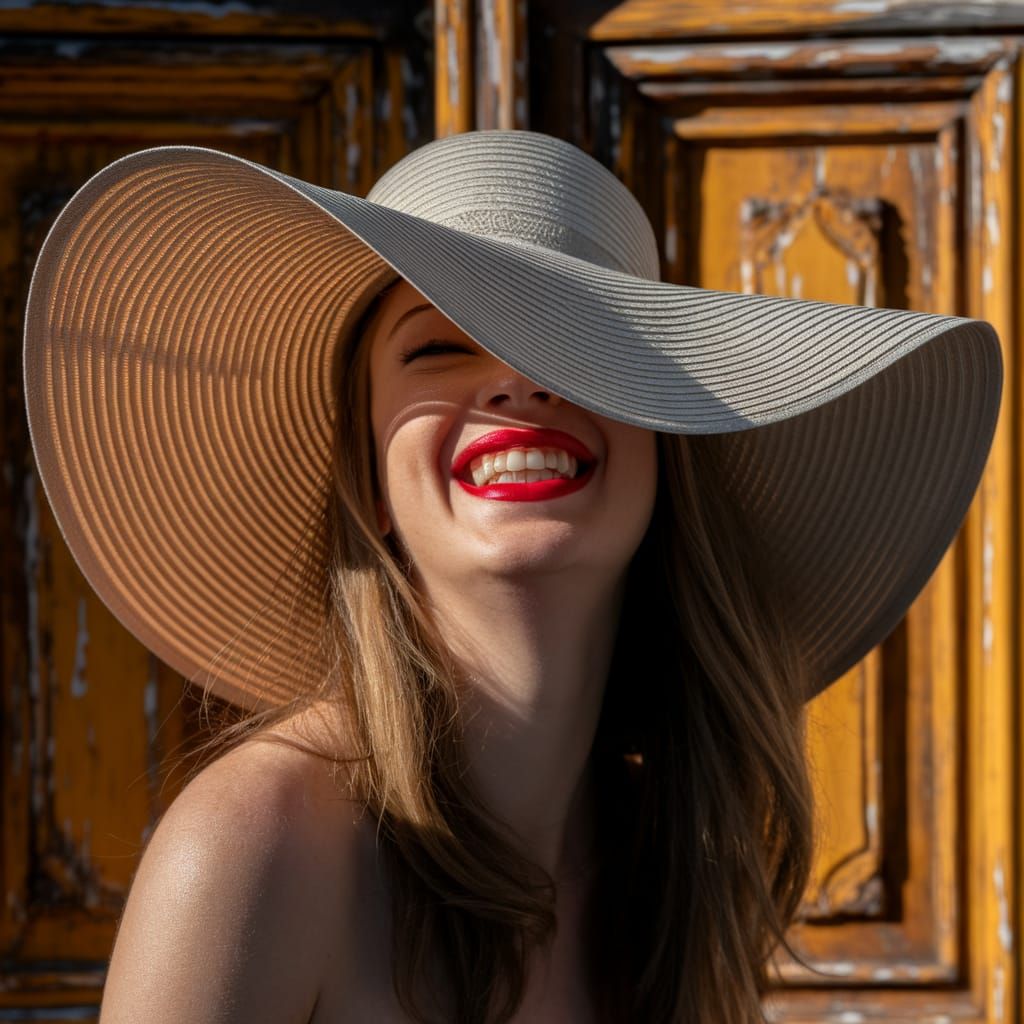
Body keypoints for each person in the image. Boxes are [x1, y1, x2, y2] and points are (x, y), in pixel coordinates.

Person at [22, 130, 1002, 1024]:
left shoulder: (669, 880)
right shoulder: (258, 845)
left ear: (666, 455)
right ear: (372, 479)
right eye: (439, 347)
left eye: (582, 344)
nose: (518, 379)